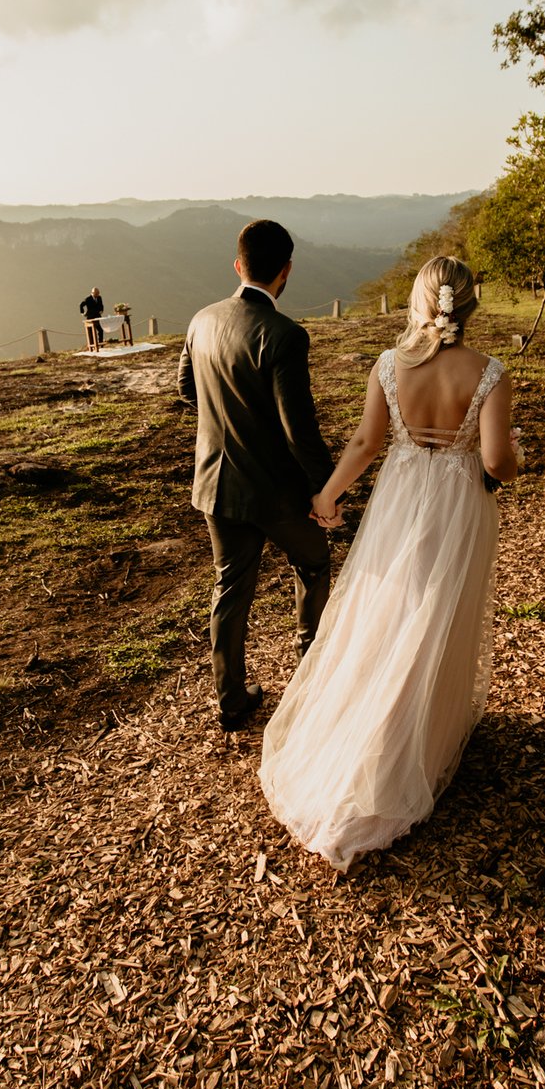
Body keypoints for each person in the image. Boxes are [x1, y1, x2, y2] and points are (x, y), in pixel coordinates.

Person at [259, 256, 522, 874]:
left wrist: (326, 494)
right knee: (436, 617)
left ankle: (366, 732)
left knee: (386, 612)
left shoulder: (388, 364)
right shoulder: (490, 374)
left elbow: (364, 444)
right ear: (470, 306)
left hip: (400, 502)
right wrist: (515, 457)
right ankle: (409, 742)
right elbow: (494, 463)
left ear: (419, 302)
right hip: (457, 506)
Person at [178, 219, 336, 732]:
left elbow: (186, 388)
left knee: (230, 589)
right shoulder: (285, 335)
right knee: (313, 563)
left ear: (237, 265)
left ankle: (231, 701)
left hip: (216, 489)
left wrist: (228, 415)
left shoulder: (201, 320)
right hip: (277, 494)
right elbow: (299, 428)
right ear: (286, 271)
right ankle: (309, 675)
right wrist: (325, 489)